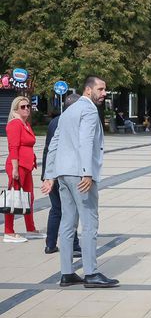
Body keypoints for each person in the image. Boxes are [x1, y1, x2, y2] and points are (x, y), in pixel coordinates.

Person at [42, 76, 120, 289]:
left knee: (68, 222)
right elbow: (86, 141)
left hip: (63, 174)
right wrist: (87, 172)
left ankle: (67, 273)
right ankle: (91, 273)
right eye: (101, 89)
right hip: (79, 174)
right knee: (89, 223)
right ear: (88, 90)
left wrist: (50, 174)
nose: (104, 93)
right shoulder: (88, 110)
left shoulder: (68, 111)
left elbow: (54, 143)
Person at [42, 94, 82, 256]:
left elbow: (49, 150)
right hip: (64, 172)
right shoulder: (68, 122)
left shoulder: (54, 121)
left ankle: (50, 244)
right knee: (69, 210)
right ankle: (73, 244)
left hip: (52, 171)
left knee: (57, 209)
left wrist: (47, 174)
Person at [4, 96, 44, 243]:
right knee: (13, 199)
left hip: (26, 166)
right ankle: (8, 231)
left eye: (28, 106)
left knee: (29, 198)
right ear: (15, 110)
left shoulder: (25, 124)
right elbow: (13, 148)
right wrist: (14, 168)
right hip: (17, 166)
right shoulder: (15, 124)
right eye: (23, 107)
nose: (27, 108)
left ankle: (30, 229)